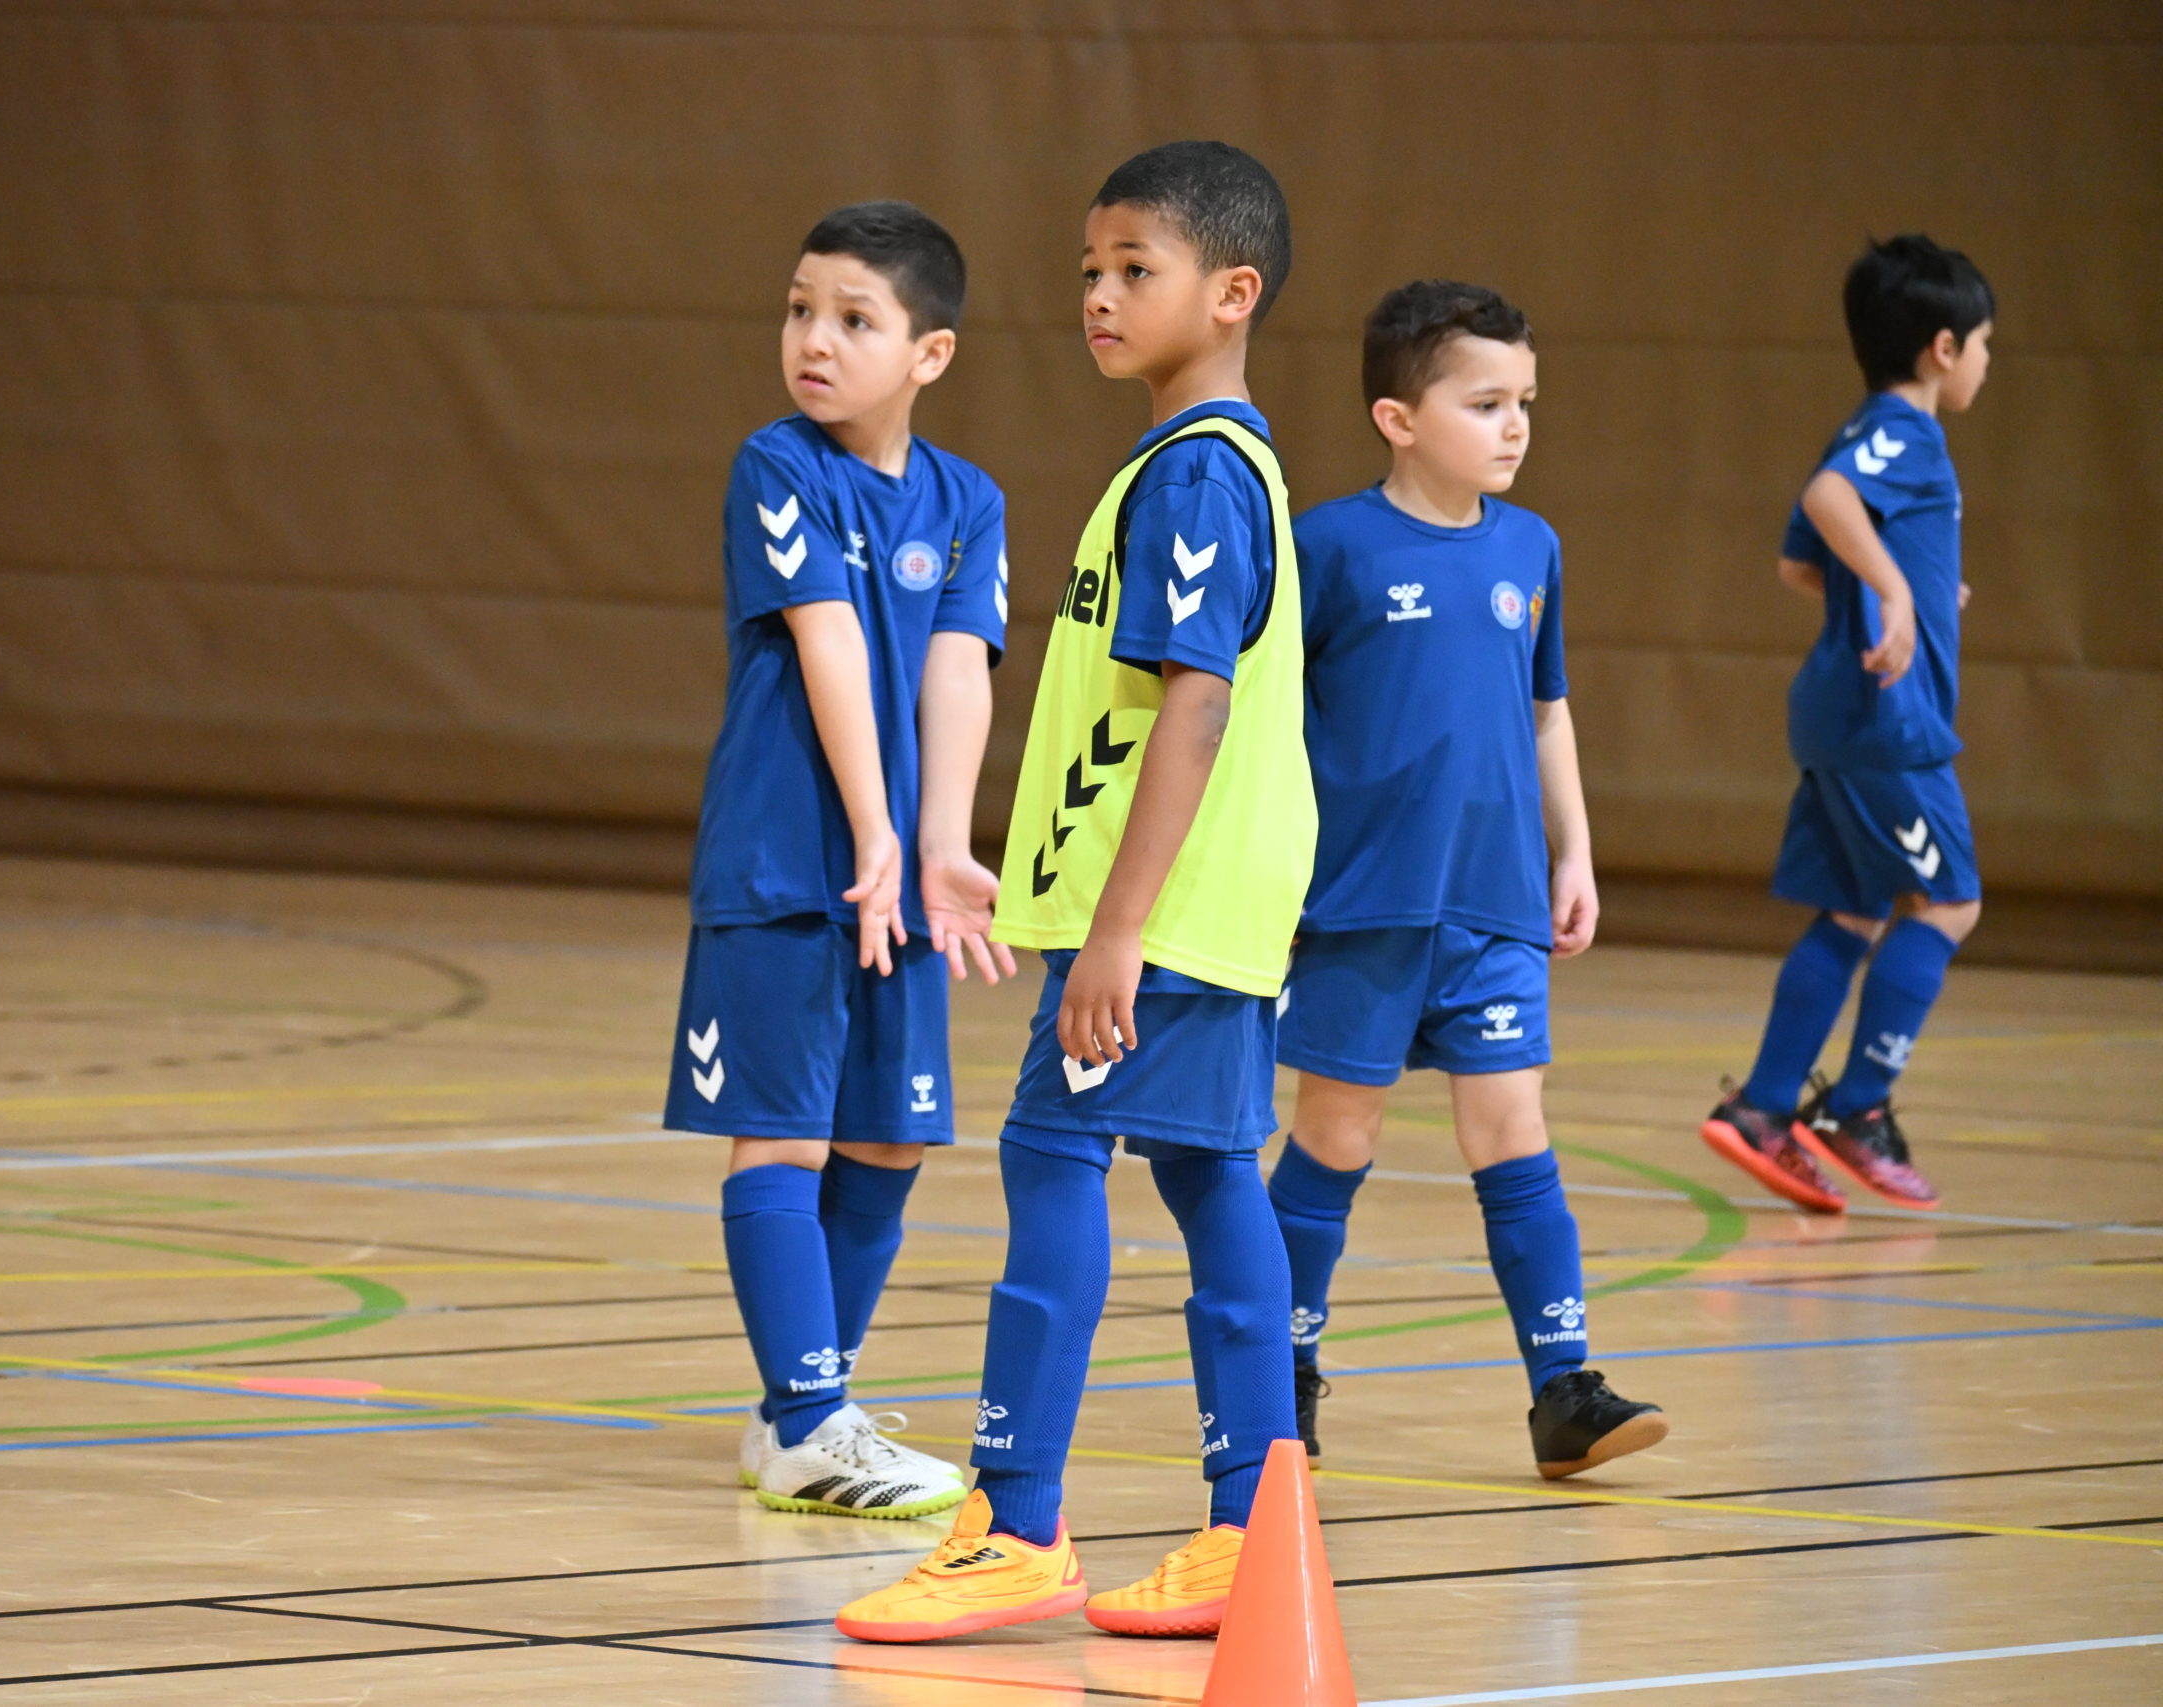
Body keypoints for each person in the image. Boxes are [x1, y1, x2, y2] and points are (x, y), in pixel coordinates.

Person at [836, 140, 1314, 1644]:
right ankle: (1248, 1527)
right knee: (1210, 1175)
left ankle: (1016, 1519)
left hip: (1161, 918)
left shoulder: (1196, 475)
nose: (1099, 296)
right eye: (1090, 271)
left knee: (1052, 1157)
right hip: (1206, 911)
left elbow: (1197, 707)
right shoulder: (1207, 465)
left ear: (1231, 293)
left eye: (1136, 270)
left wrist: (1114, 931)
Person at [1263, 281, 1668, 1484]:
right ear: (1397, 418)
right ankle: (1278, 1371)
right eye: (1484, 402)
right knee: (1335, 1135)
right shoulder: (1326, 547)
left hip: (1491, 904)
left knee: (1513, 1134)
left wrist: (1572, 851)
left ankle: (1563, 1390)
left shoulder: (1530, 547)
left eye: (1524, 401)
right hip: (1360, 907)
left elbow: (1546, 711)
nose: (1514, 424)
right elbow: (1262, 727)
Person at [665, 201, 1014, 1521]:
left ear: (930, 352)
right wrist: (873, 830)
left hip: (895, 877)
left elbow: (956, 674)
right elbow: (830, 644)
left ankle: (796, 1414)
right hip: (783, 862)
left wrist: (941, 844)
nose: (814, 339)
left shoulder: (967, 500)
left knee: (888, 1138)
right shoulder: (777, 465)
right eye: (800, 309)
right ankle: (814, 1421)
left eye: (854, 319)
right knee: (786, 1135)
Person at [1701, 236, 1995, 1215]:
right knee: (1948, 905)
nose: (1986, 363)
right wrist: (1896, 595)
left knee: (1856, 910)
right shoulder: (1906, 433)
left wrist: (1913, 586)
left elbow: (1800, 562)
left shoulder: (1861, 429)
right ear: (1943, 348)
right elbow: (1827, 503)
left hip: (1835, 717)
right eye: (1985, 345)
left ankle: (1764, 1106)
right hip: (1886, 721)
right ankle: (1860, 1108)